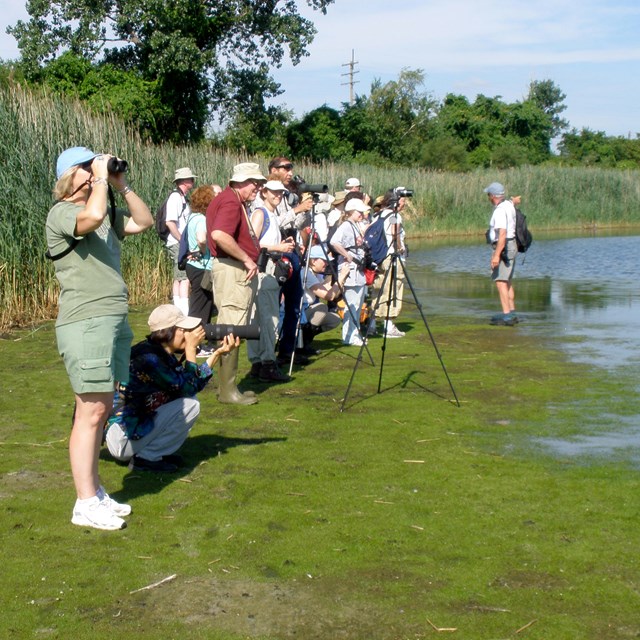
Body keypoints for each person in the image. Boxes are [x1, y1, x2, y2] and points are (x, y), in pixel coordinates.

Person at [45, 146, 153, 530]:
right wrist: (102, 181)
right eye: (86, 168)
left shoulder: (105, 208)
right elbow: (89, 216)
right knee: (89, 413)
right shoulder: (62, 213)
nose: (93, 173)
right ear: (68, 175)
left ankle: (96, 491)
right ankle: (84, 502)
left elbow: (144, 221)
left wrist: (121, 186)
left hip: (112, 318)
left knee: (102, 408)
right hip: (86, 321)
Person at [105, 305, 239, 473]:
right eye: (184, 330)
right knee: (190, 405)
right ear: (168, 332)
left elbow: (188, 383)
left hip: (129, 431)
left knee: (181, 400)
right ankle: (147, 457)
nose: (189, 334)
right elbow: (189, 388)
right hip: (123, 438)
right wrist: (190, 350)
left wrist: (217, 354)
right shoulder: (149, 359)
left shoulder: (158, 353)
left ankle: (155, 451)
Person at [206, 162, 266, 405]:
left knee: (231, 325)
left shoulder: (228, 200)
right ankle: (228, 391)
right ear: (239, 182)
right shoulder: (231, 202)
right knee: (232, 328)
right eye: (254, 182)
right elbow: (219, 235)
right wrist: (247, 260)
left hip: (231, 269)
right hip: (232, 271)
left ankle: (228, 388)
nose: (258, 187)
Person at [256, 157, 313, 365]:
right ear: (273, 170)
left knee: (295, 304)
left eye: (291, 167)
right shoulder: (264, 197)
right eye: (285, 168)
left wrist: (305, 211)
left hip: (291, 252)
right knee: (273, 304)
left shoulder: (287, 196)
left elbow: (294, 224)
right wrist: (296, 210)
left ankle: (289, 351)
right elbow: (274, 222)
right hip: (276, 256)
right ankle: (269, 353)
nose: (290, 171)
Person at [247, 180, 297, 382]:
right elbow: (252, 243)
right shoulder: (261, 213)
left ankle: (259, 363)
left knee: (259, 317)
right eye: (274, 192)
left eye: (281, 193)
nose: (278, 195)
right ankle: (267, 363)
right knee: (268, 318)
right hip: (265, 268)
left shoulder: (270, 215)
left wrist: (281, 245)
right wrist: (279, 247)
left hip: (267, 267)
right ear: (264, 192)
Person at [330, 199, 370, 346]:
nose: (362, 214)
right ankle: (349, 336)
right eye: (359, 212)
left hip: (357, 269)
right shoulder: (346, 226)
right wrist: (347, 255)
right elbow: (334, 241)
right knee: (352, 303)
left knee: (357, 303)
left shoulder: (355, 225)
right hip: (351, 269)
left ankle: (354, 333)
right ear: (351, 211)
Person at [370, 189, 408, 338]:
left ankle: (372, 324)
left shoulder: (379, 214)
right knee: (394, 289)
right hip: (392, 257)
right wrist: (401, 247)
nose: (404, 203)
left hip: (380, 257)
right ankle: (389, 326)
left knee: (379, 289)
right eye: (403, 201)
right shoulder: (394, 216)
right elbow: (395, 232)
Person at [300, 244, 351, 352]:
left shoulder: (316, 274)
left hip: (306, 310)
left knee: (334, 319)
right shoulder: (306, 273)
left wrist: (337, 276)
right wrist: (341, 277)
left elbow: (333, 293)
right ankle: (302, 343)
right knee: (322, 308)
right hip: (299, 311)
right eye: (324, 260)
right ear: (313, 261)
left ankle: (306, 339)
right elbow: (328, 296)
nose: (327, 263)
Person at [183, 185, 216, 348]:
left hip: (193, 266)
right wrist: (203, 251)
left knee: (202, 303)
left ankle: (199, 341)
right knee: (200, 306)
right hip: (201, 266)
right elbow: (201, 239)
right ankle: (193, 343)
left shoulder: (192, 217)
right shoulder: (202, 219)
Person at [485, 181, 519, 326]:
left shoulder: (499, 210)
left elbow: (502, 234)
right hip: (512, 245)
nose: (488, 197)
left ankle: (506, 316)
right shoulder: (508, 205)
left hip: (504, 247)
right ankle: (511, 312)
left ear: (493, 196)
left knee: (500, 281)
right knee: (507, 281)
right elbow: (513, 202)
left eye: (488, 195)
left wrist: (496, 255)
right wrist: (515, 200)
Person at [165, 167, 197, 316]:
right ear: (184, 181)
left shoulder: (181, 197)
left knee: (179, 276)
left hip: (178, 242)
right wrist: (183, 242)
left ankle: (179, 309)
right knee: (184, 277)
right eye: (191, 179)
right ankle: (183, 312)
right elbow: (170, 222)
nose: (193, 181)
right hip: (177, 242)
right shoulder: (175, 198)